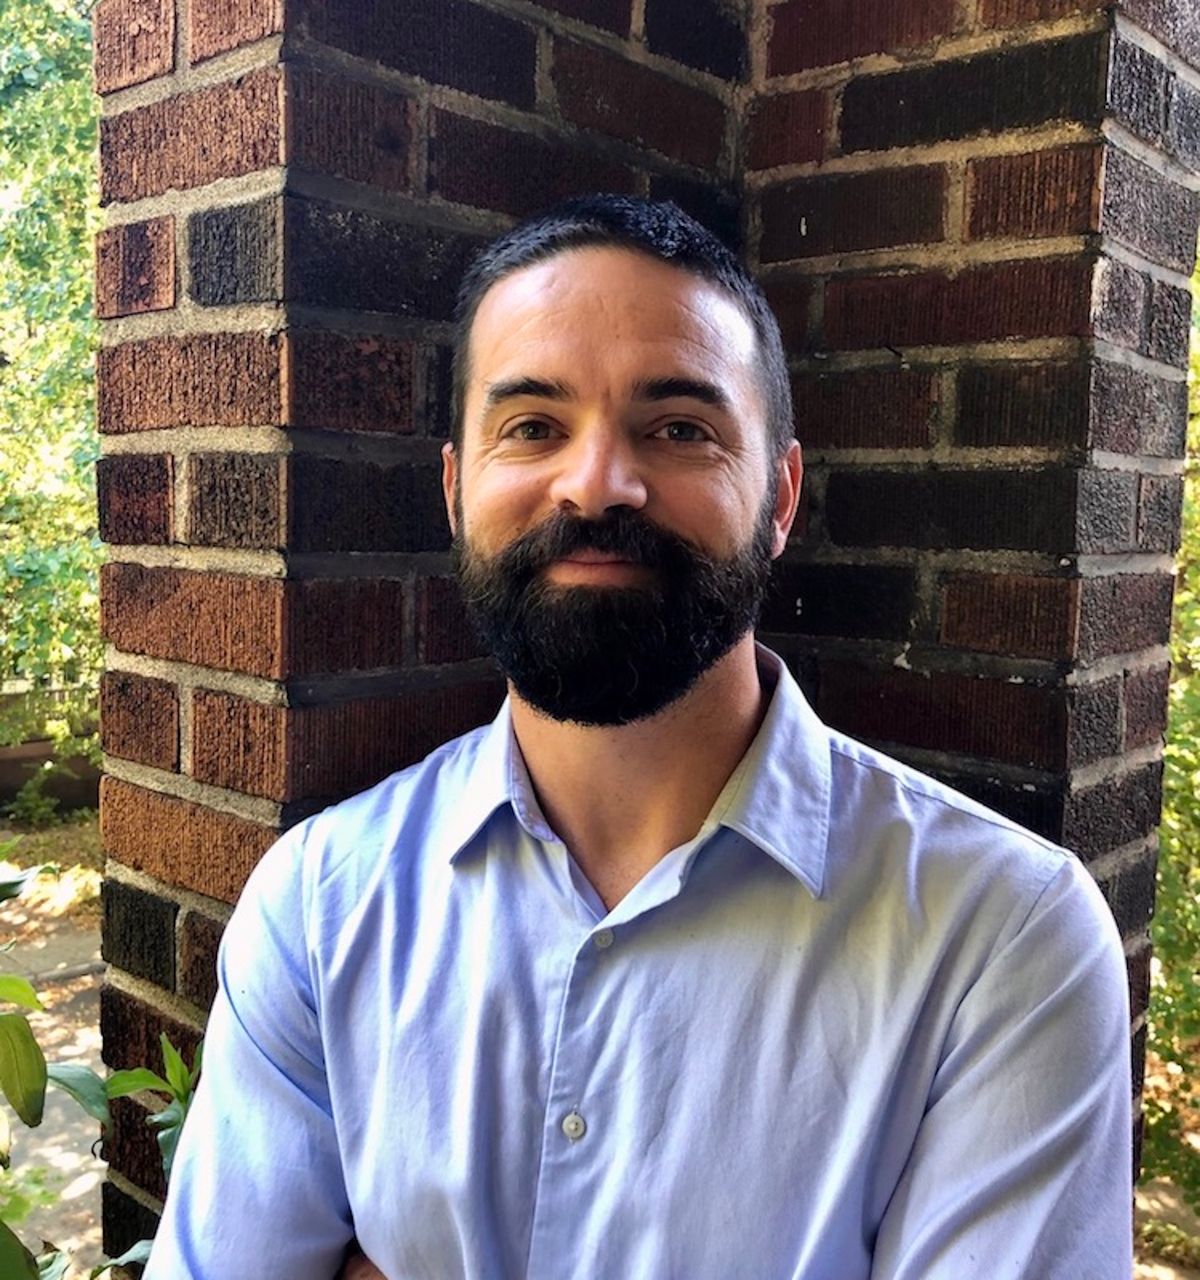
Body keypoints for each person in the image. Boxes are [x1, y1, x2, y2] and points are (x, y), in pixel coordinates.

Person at [145, 195, 1133, 1279]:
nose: (597, 482)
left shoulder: (1004, 940)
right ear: (454, 485)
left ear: (781, 494)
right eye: (532, 425)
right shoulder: (321, 904)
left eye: (679, 429)